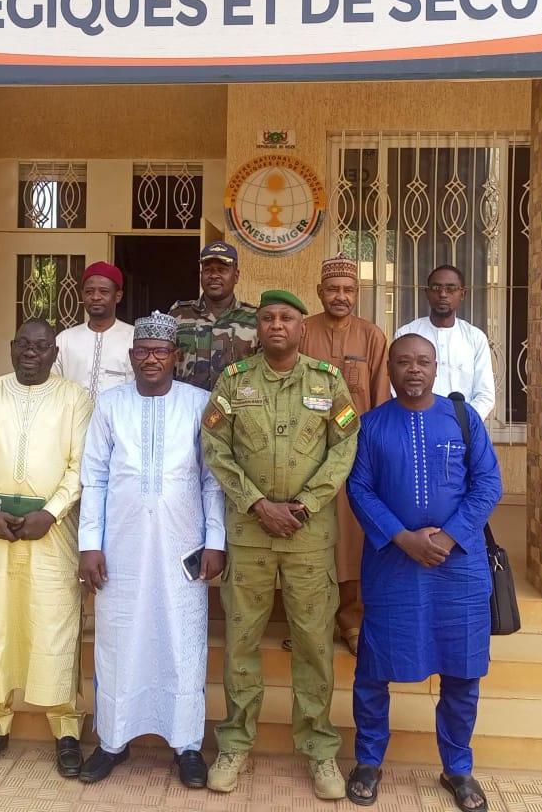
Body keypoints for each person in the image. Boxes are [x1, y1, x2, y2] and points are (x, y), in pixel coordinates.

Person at [201, 289, 360, 800]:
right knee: (241, 641)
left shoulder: (327, 382)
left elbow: (345, 448)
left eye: (286, 318)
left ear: (301, 327)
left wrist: (306, 505)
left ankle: (319, 750)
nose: (275, 325)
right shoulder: (233, 381)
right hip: (250, 535)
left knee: (313, 644)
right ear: (258, 327)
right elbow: (214, 447)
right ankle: (234, 744)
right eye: (267, 317)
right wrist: (256, 504)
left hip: (309, 538)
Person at [344, 334, 502, 810]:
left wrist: (449, 537)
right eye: (403, 362)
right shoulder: (371, 426)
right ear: (389, 370)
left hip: (459, 568)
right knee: (374, 669)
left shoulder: (462, 418)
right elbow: (359, 489)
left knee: (462, 671)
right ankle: (368, 760)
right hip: (393, 565)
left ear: (435, 368)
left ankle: (458, 768)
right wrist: (403, 538)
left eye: (423, 362)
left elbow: (489, 483)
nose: (414, 370)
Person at [76, 311, 226, 789]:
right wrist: (89, 545)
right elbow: (94, 478)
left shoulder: (199, 404)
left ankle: (187, 744)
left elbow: (212, 481)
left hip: (183, 546)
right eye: (142, 351)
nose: (151, 359)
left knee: (183, 640)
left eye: (160, 351)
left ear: (175, 356)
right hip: (120, 546)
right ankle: (112, 740)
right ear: (131, 355)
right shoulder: (109, 405)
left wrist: (215, 541)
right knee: (118, 639)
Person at [0, 319, 93, 780]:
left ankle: (66, 729)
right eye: (24, 344)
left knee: (55, 625)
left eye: (42, 346)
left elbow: (80, 465)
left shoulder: (75, 399)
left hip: (51, 533)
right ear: (12, 348)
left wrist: (51, 513)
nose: (31, 352)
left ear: (55, 353)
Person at [300, 255, 391, 655]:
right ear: (320, 292)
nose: (341, 296)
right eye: (333, 289)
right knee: (310, 537)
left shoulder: (372, 337)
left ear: (358, 293)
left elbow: (380, 399)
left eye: (349, 290)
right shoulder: (302, 331)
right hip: (305, 455)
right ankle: (311, 624)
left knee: (352, 539)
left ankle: (352, 619)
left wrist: (376, 456)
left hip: (355, 453)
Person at [394, 265, 495, 421]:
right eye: (436, 288)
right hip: (415, 422)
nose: (442, 294)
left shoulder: (475, 338)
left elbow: (485, 394)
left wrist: (463, 423)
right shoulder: (406, 334)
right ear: (427, 293)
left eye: (450, 289)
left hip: (462, 427)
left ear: (462, 294)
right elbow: (396, 386)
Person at [169, 241, 258, 391]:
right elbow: (164, 362)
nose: (214, 275)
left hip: (237, 404)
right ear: (201, 275)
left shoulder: (254, 318)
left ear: (236, 276)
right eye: (208, 270)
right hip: (187, 403)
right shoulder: (178, 315)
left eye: (222, 270)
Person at [54, 261, 134, 403]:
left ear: (118, 296)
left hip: (119, 416)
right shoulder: (64, 339)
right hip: (73, 416)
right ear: (82, 295)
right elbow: (52, 386)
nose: (95, 297)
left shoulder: (134, 338)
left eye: (104, 291)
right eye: (89, 292)